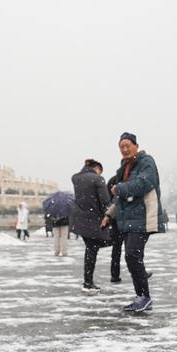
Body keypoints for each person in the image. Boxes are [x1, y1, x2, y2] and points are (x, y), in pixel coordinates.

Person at [101, 132, 164, 312]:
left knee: (132, 255)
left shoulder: (146, 162)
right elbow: (120, 198)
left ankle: (144, 296)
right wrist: (109, 214)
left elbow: (143, 184)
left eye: (128, 145)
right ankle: (141, 295)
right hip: (128, 219)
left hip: (142, 218)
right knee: (132, 256)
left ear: (136, 146)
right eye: (121, 147)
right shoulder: (125, 166)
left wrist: (119, 188)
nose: (125, 149)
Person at [71, 159, 111, 290]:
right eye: (100, 171)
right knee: (93, 249)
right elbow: (105, 201)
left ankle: (88, 280)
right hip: (94, 220)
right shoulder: (98, 179)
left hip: (81, 220)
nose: (100, 174)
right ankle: (88, 282)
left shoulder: (76, 178)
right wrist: (108, 215)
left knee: (91, 249)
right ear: (97, 168)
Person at [107, 176, 125, 283]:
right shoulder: (126, 180)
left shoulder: (113, 180)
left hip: (116, 221)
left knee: (116, 250)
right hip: (124, 220)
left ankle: (115, 274)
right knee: (133, 249)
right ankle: (139, 272)